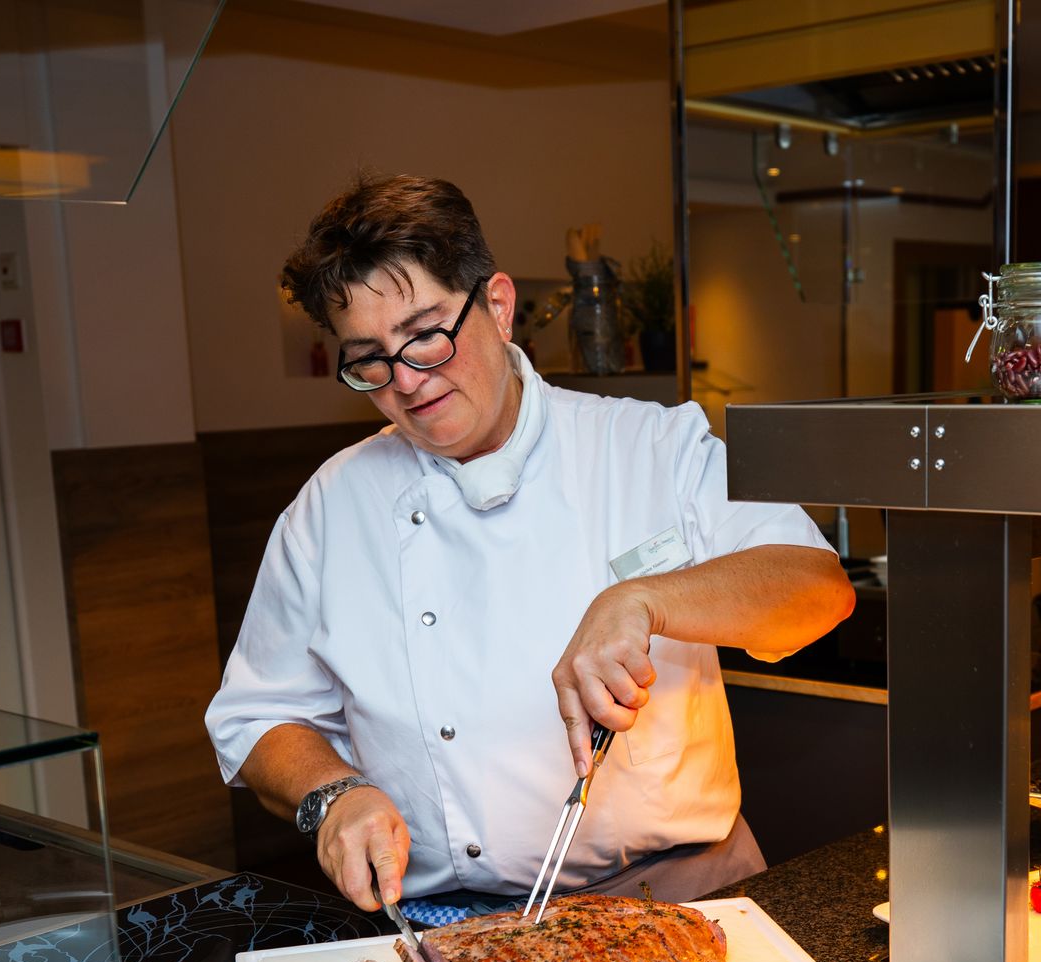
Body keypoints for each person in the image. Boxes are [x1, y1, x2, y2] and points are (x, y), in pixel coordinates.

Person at [205, 175, 853, 920]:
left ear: (499, 306)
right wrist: (334, 792)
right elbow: (258, 716)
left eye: (425, 335)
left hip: (686, 895)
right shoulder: (331, 507)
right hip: (450, 923)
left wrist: (646, 599)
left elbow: (817, 587)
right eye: (371, 360)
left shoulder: (651, 444)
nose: (407, 381)